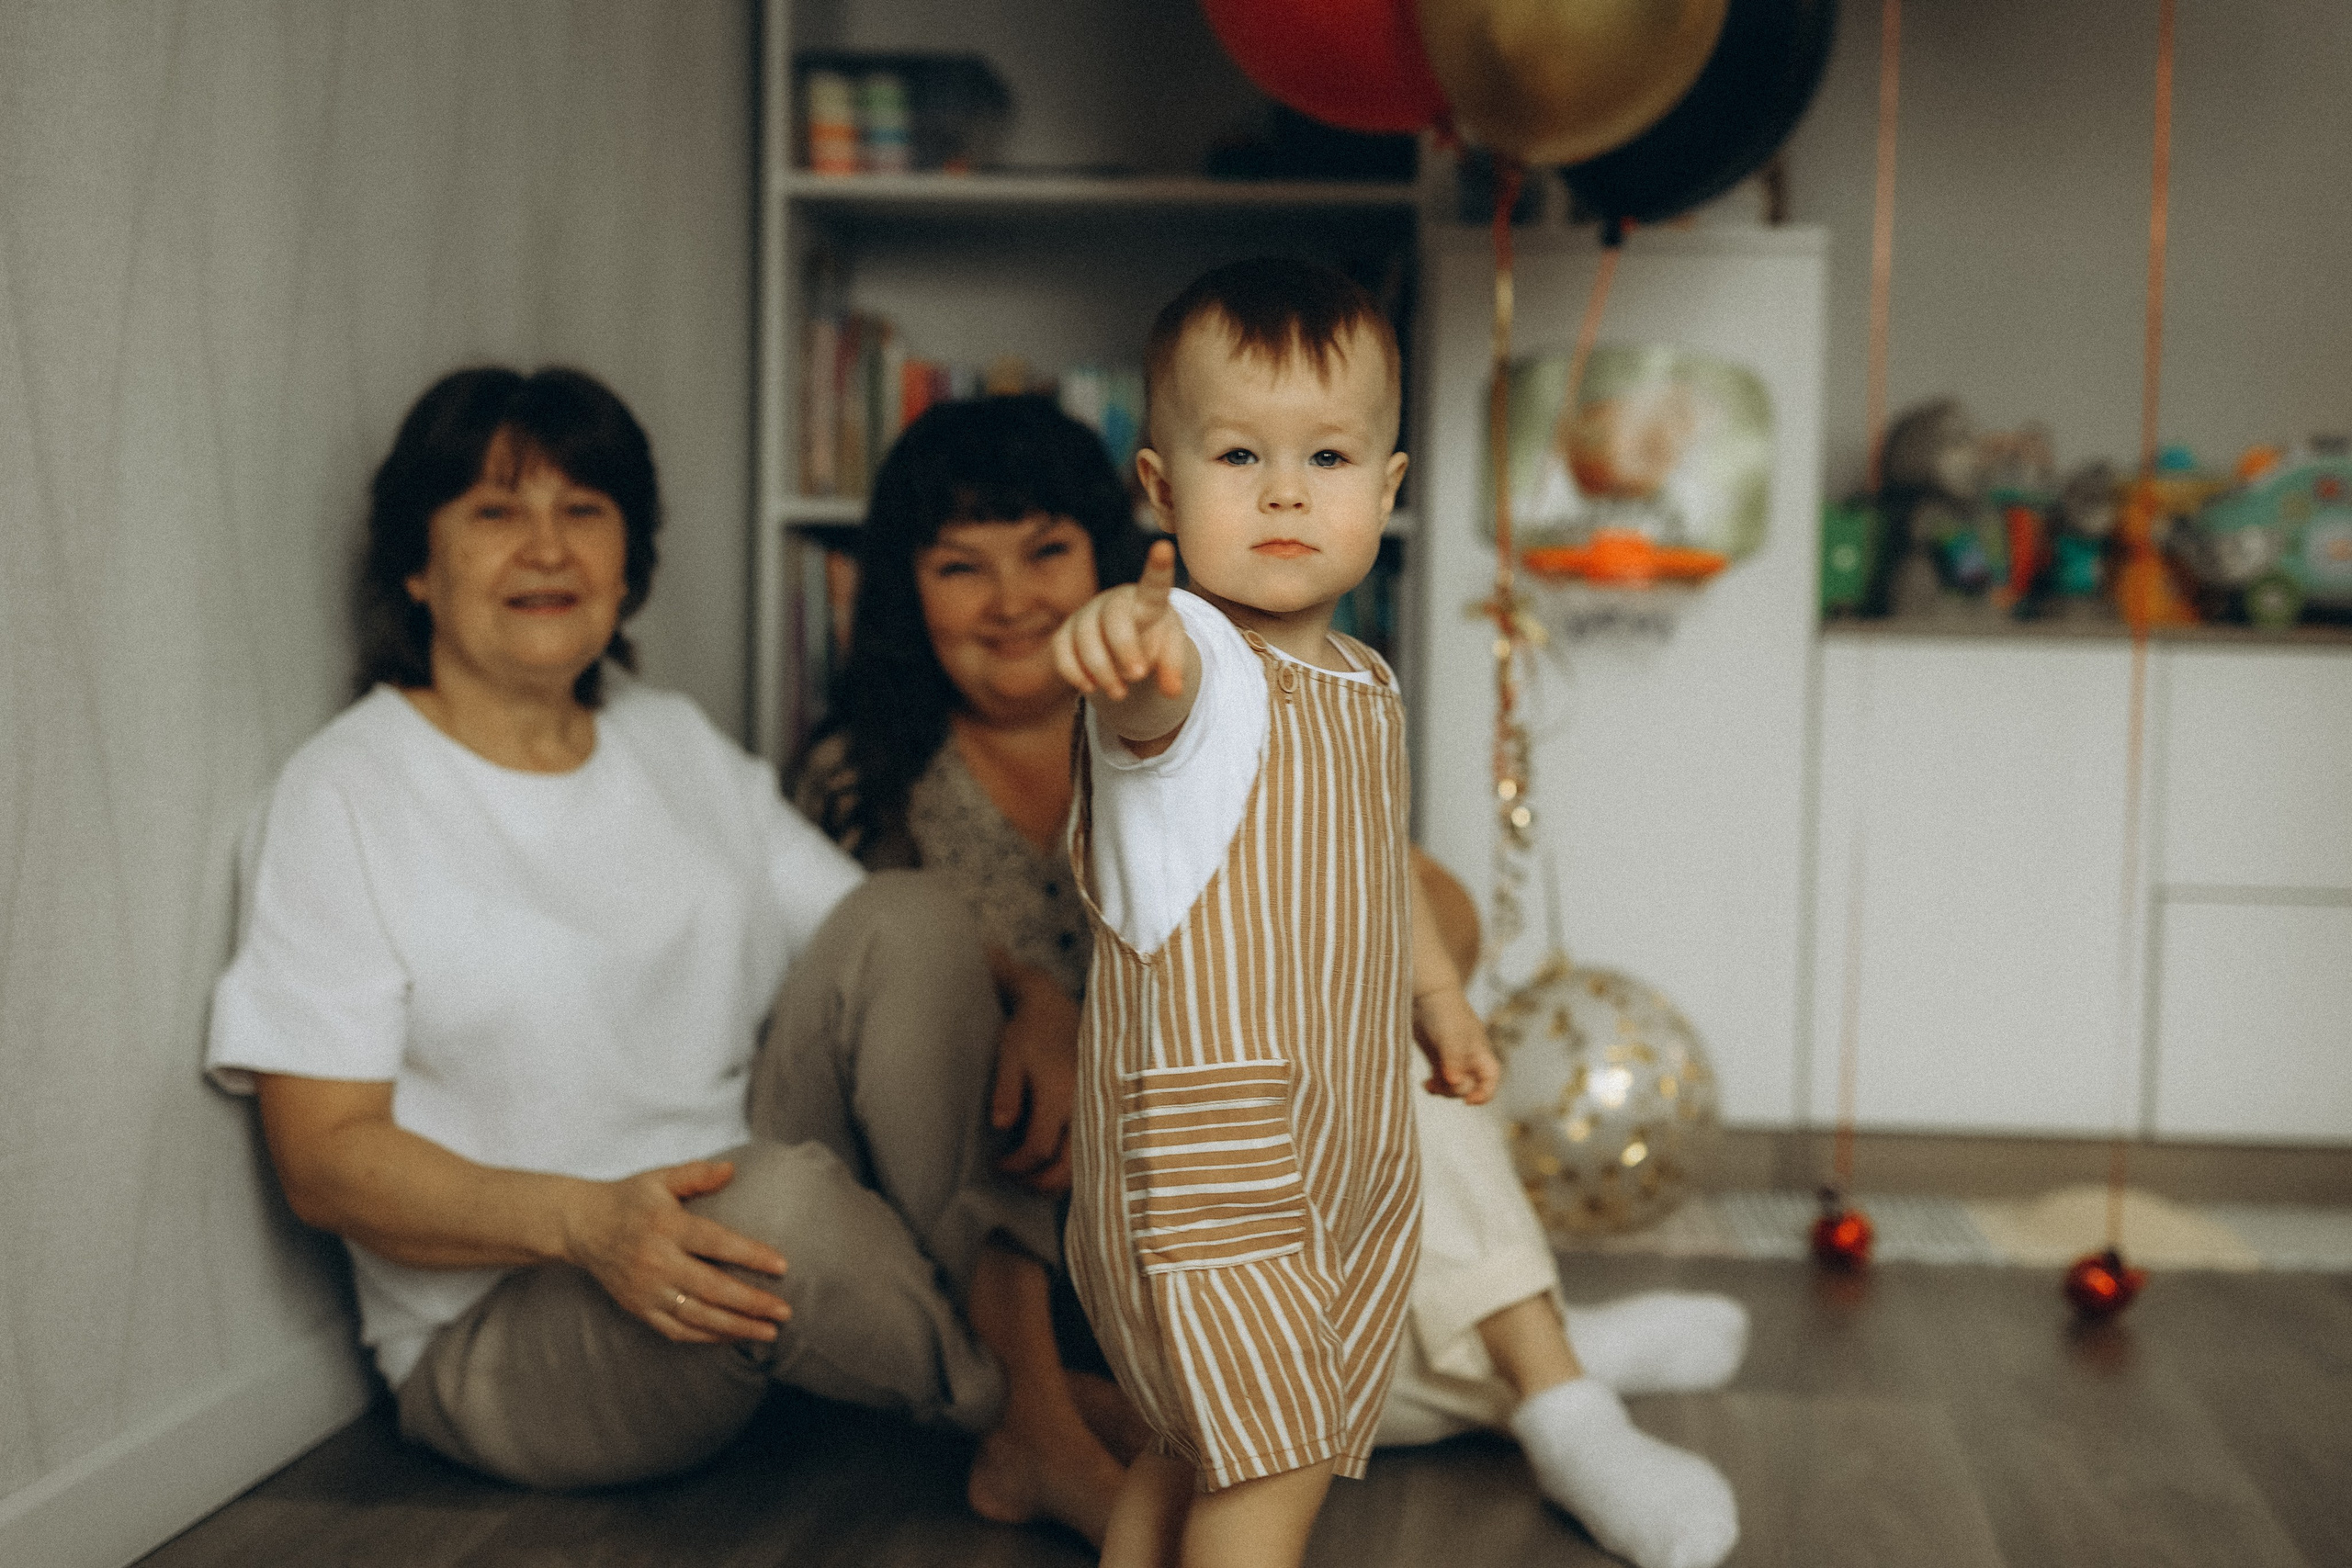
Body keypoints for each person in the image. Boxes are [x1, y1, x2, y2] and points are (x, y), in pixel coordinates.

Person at [801, 382, 1744, 1568]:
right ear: (905, 590)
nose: (1011, 600)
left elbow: (1428, 916)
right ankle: (1540, 1353)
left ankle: (1553, 1380)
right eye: (960, 566)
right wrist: (1027, 1000)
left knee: (1359, 1108)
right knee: (1270, 1407)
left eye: (1046, 551)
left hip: (1257, 1157)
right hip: (1050, 1204)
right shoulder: (864, 779)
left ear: (1118, 543)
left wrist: (1401, 952)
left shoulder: (1240, 692)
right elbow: (875, 972)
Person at [204, 367, 1125, 1543]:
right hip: (517, 1316)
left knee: (913, 916)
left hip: (737, 1223)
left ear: (627, 563)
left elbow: (883, 938)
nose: (546, 547)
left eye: (583, 511)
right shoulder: (342, 793)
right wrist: (588, 1222)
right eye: (495, 513)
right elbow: (324, 1161)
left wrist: (1041, 997)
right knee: (776, 1205)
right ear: (417, 567)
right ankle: (1043, 1416)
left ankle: (1027, 1403)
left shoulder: (667, 736)